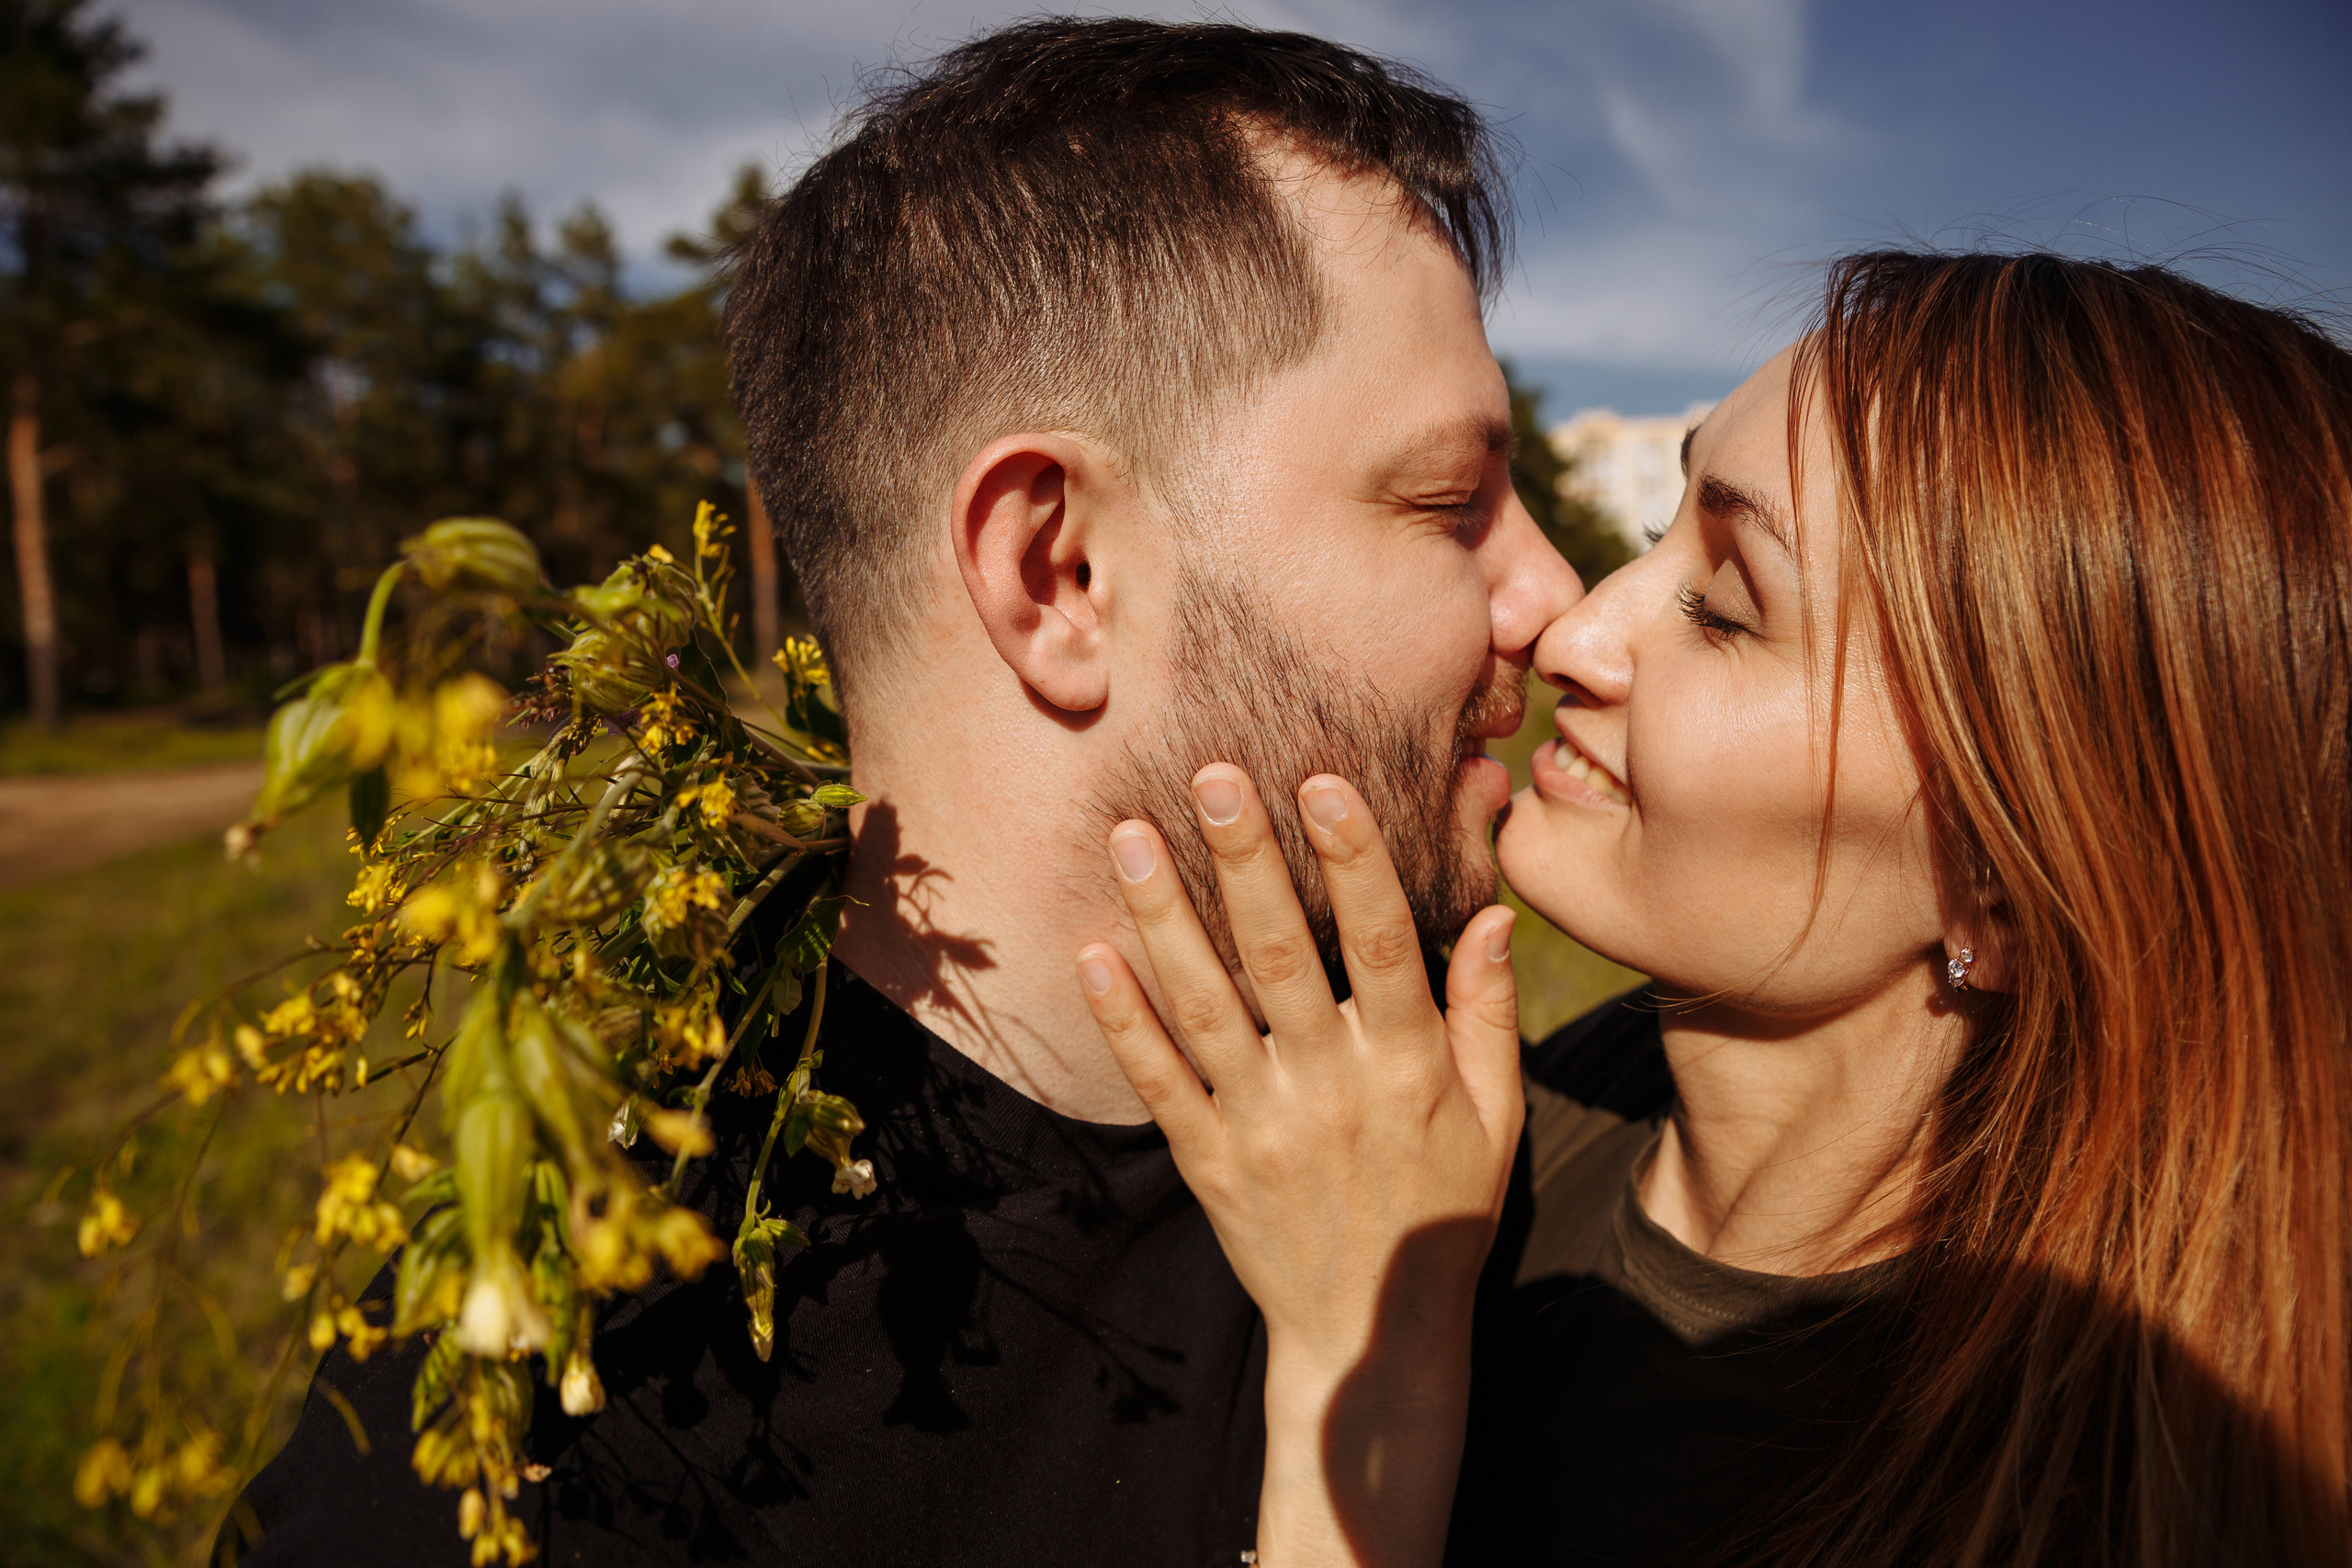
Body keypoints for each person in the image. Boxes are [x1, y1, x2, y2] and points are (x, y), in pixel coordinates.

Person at [220, 18, 1583, 1566]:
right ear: (1057, 574)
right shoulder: (575, 1441)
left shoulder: (1461, 1128)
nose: (1559, 593)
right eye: (1446, 500)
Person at [1081, 250, 2352, 1566]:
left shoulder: (2048, 1507)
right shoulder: (1533, 1112)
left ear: (2008, 892)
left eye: (1728, 608)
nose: (1575, 629)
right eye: (1657, 537)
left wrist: (1366, 1362)